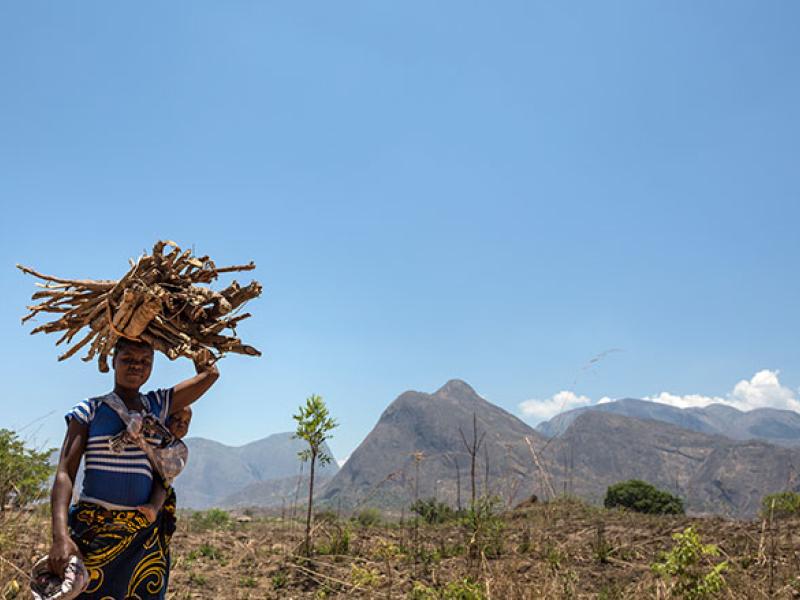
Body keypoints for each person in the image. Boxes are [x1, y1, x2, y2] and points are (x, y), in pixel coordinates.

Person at [48, 337, 219, 599]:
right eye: (127, 359)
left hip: (143, 538)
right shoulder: (90, 410)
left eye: (145, 361)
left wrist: (186, 337)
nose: (136, 366)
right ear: (112, 361)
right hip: (93, 533)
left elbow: (210, 374)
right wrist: (60, 535)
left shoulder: (158, 406)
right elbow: (64, 473)